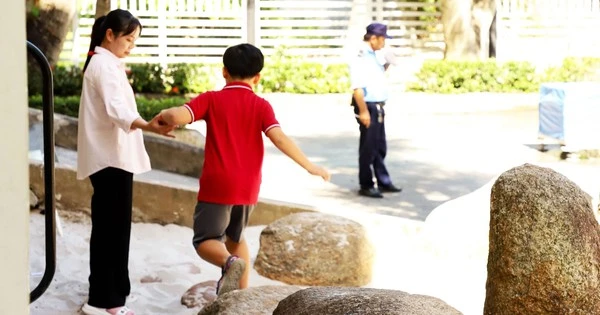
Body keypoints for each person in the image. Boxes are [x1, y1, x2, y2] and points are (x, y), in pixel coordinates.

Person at [157, 43, 331, 296]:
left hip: (218, 185)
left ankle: (230, 263)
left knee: (205, 240)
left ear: (224, 72)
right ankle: (240, 295)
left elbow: (175, 117)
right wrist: (310, 166)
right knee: (236, 239)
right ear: (257, 78)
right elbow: (279, 138)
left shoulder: (211, 99)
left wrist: (163, 114)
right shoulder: (261, 105)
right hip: (248, 187)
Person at [76, 9, 174, 315]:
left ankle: (107, 296)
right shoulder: (103, 65)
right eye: (128, 39)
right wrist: (147, 125)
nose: (131, 45)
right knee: (112, 231)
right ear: (110, 35)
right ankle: (105, 302)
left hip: (111, 158)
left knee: (111, 229)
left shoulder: (105, 62)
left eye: (134, 40)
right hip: (110, 159)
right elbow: (117, 109)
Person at [349, 22, 402, 198]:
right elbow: (357, 88)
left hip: (377, 105)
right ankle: (366, 184)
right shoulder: (361, 56)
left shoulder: (373, 55)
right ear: (373, 38)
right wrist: (363, 111)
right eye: (382, 39)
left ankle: (383, 181)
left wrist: (387, 63)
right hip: (368, 106)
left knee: (379, 146)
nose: (384, 43)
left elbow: (375, 77)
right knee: (368, 147)